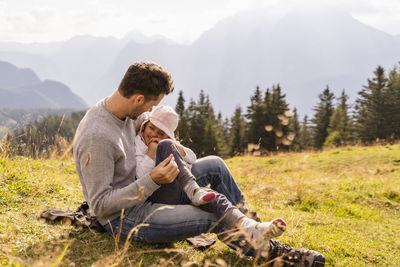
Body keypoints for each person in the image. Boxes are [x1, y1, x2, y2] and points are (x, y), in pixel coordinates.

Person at [73, 61, 325, 266]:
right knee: (210, 214)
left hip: (151, 189)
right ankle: (269, 251)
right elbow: (100, 206)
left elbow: (169, 146)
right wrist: (152, 181)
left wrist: (176, 155)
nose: (151, 110)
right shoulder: (99, 135)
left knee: (215, 165)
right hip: (126, 217)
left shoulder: (129, 115)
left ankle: (251, 227)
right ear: (138, 99)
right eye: (152, 104)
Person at [135, 105, 287, 248]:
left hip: (178, 188)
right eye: (151, 127)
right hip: (159, 194)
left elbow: (192, 158)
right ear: (145, 124)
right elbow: (141, 178)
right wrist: (152, 152)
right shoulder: (139, 144)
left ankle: (250, 225)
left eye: (161, 133)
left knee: (215, 198)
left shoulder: (167, 144)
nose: (154, 134)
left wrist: (175, 147)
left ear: (168, 135)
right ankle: (194, 190)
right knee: (164, 147)